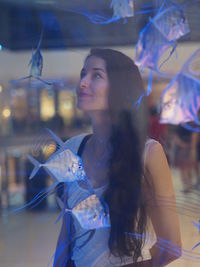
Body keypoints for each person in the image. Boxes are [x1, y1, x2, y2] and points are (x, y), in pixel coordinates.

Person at [54, 48, 182, 267]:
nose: (82, 82)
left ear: (119, 87)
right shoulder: (73, 148)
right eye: (83, 73)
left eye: (96, 75)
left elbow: (171, 246)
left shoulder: (148, 153)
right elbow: (66, 235)